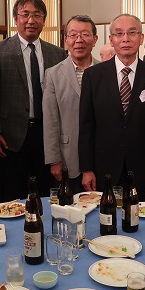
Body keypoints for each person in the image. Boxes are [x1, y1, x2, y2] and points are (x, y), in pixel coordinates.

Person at [0, 0, 66, 201]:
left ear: (44, 20)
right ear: (16, 19)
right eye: (25, 14)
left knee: (46, 192)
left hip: (46, 135)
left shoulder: (56, 53)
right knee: (13, 194)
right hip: (11, 136)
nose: (31, 20)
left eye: (37, 15)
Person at [79, 13, 145, 199]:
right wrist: (86, 168)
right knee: (105, 214)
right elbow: (86, 126)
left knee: (139, 215)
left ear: (141, 38)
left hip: (143, 167)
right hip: (104, 166)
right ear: (111, 39)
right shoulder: (93, 76)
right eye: (119, 33)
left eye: (132, 33)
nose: (125, 39)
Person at [43, 15, 100, 194]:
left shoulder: (105, 72)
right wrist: (54, 159)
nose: (79, 40)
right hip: (67, 157)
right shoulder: (53, 74)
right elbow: (50, 121)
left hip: (100, 154)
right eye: (73, 35)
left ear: (95, 39)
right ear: (65, 39)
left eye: (85, 34)